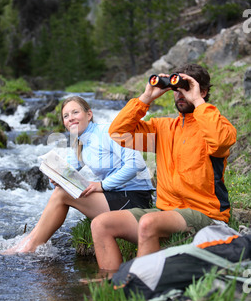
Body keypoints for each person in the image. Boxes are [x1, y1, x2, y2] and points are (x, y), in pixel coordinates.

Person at [91, 63, 237, 273]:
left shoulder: (218, 126)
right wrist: (146, 98)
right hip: (165, 213)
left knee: (149, 222)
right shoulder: (163, 128)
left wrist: (198, 101)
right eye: (176, 90)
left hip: (206, 215)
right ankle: (111, 285)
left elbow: (221, 141)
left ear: (202, 91)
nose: (180, 95)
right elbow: (118, 133)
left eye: (186, 89)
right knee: (100, 224)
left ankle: (140, 286)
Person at [7, 96, 154, 254]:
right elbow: (66, 171)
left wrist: (102, 185)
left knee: (63, 194)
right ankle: (26, 243)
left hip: (134, 198)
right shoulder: (79, 142)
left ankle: (30, 247)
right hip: (115, 195)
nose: (70, 118)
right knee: (61, 191)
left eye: (75, 112)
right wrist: (55, 178)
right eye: (66, 116)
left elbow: (136, 164)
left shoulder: (108, 132)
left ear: (89, 114)